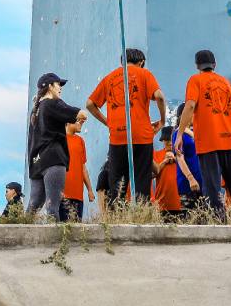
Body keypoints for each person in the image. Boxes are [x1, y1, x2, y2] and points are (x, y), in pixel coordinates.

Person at [87, 48, 167, 205]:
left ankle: (116, 218)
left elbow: (90, 104)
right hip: (142, 136)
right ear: (141, 62)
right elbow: (159, 96)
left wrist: (107, 122)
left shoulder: (109, 78)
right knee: (141, 179)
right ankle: (141, 218)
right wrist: (163, 121)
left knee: (117, 181)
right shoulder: (145, 74)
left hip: (117, 136)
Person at [175, 50, 231, 219]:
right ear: (214, 64)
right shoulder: (228, 84)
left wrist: (179, 134)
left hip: (209, 145)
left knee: (212, 189)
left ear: (197, 66)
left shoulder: (195, 80)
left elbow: (190, 106)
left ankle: (219, 224)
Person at [29, 72, 88, 219]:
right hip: (53, 160)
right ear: (50, 86)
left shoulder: (35, 110)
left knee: (32, 207)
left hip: (36, 162)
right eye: (58, 84)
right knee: (52, 208)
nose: (60, 88)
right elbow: (82, 114)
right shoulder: (53, 103)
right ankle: (54, 242)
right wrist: (79, 117)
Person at [171, 102, 203, 214]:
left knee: (205, 219)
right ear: (182, 115)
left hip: (202, 183)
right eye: (192, 112)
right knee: (189, 218)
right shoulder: (178, 135)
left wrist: (188, 131)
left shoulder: (195, 132)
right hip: (187, 183)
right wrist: (191, 178)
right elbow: (180, 158)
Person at [61, 114, 94, 221]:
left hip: (78, 195)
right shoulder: (59, 139)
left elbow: (83, 167)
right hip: (61, 195)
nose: (81, 124)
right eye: (79, 122)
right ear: (68, 122)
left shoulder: (80, 141)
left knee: (77, 231)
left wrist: (89, 190)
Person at [152, 127, 183, 220]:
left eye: (171, 139)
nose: (169, 142)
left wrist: (177, 159)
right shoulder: (157, 154)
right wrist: (164, 162)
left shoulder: (182, 155)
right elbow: (151, 175)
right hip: (161, 204)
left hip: (181, 203)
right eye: (166, 140)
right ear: (162, 140)